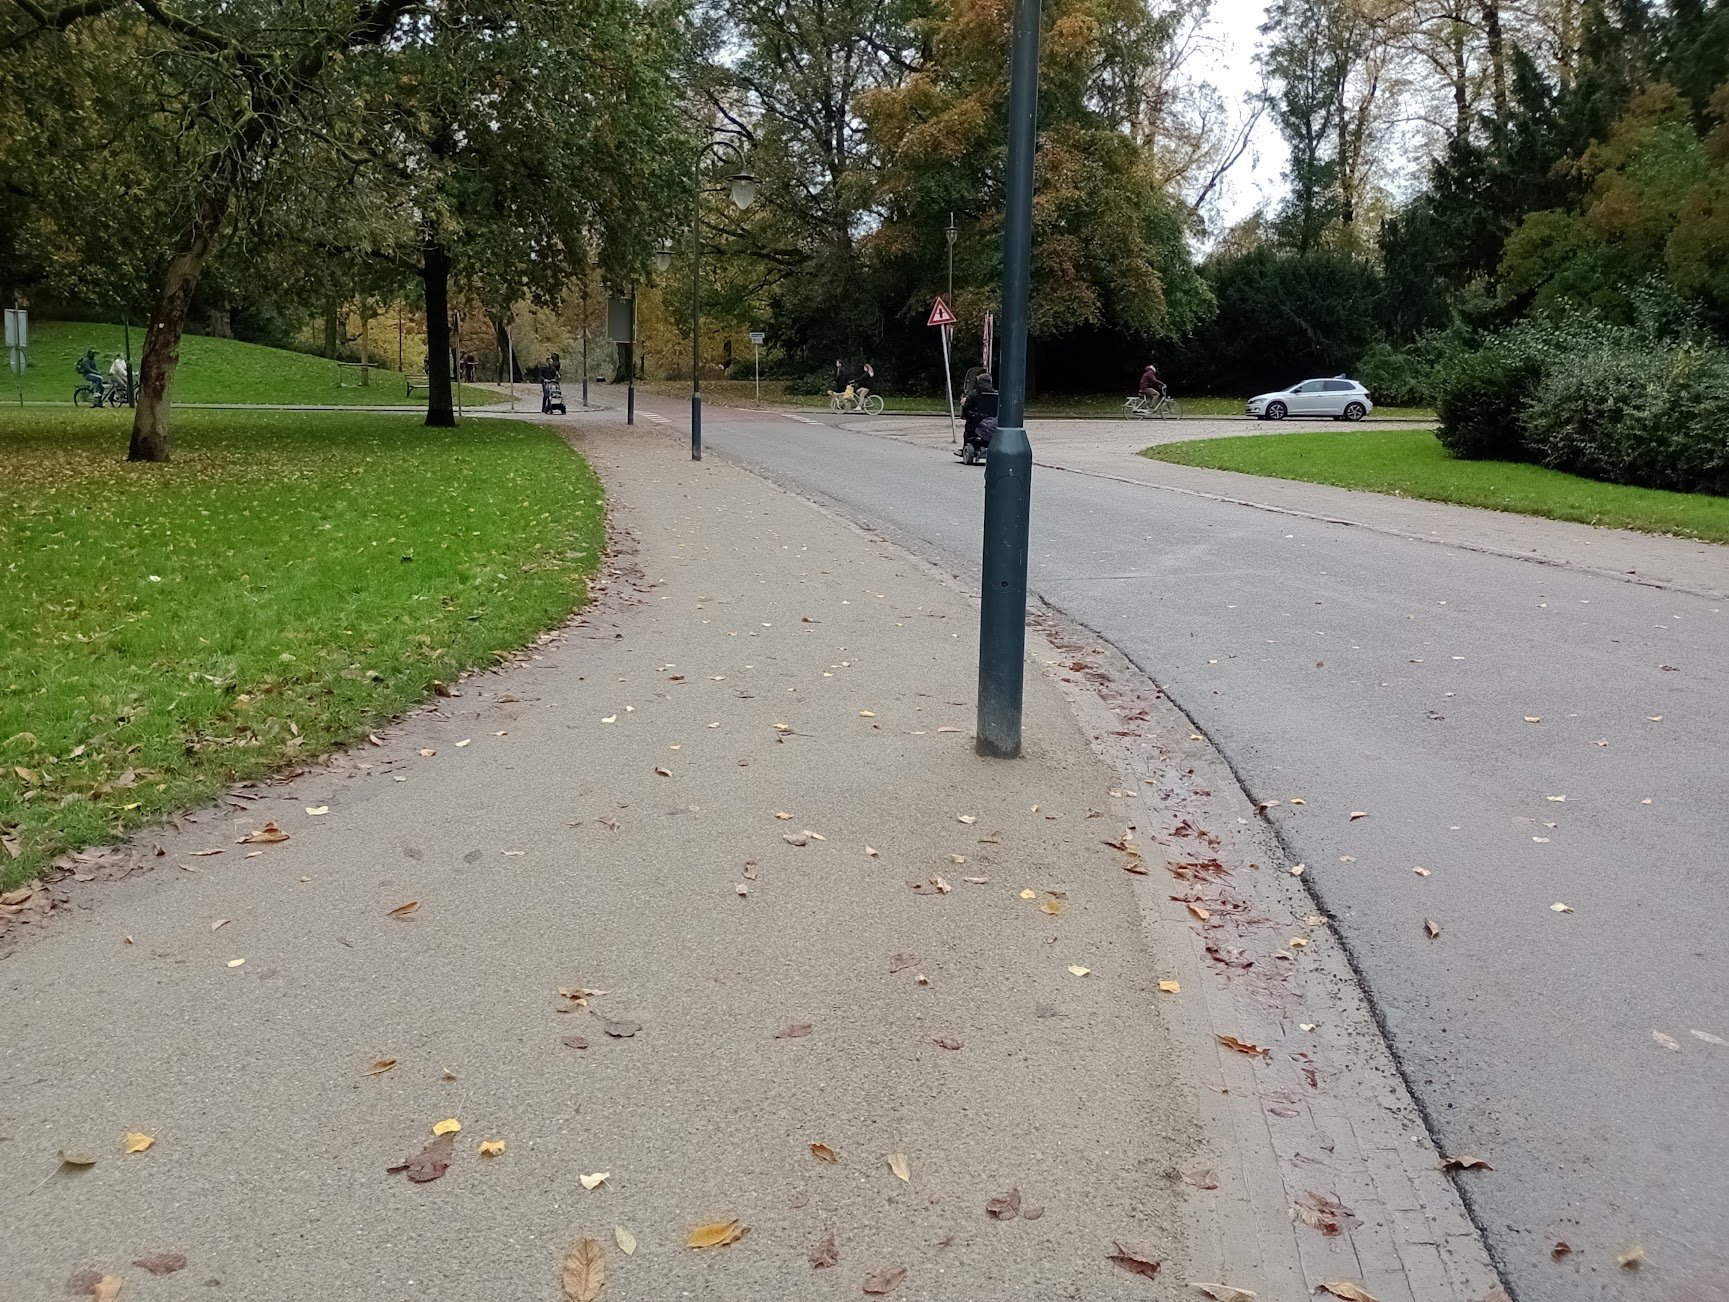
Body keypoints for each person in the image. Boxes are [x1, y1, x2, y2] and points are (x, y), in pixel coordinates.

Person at [956, 371, 998, 457]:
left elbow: (966, 410)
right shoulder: (996, 394)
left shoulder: (973, 394)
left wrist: (965, 408)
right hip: (992, 423)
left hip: (977, 422)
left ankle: (965, 448)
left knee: (969, 426)